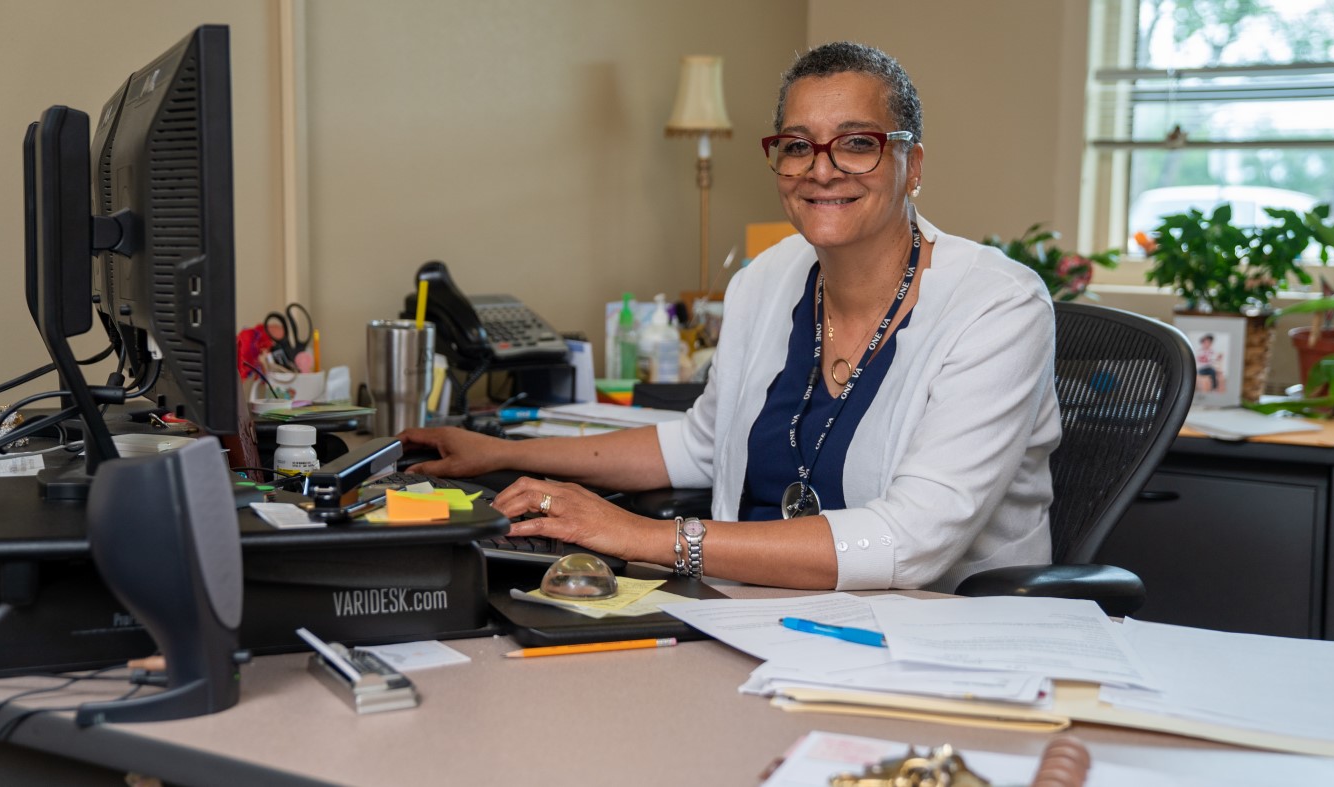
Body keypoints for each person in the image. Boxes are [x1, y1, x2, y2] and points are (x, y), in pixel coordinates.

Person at [399, 42, 1060, 592]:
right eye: (797, 146)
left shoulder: (998, 307)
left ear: (910, 164)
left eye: (855, 143)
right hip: (747, 621)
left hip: (935, 653)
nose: (821, 170)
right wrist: (503, 453)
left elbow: (910, 541)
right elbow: (700, 444)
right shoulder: (763, 284)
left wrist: (645, 536)